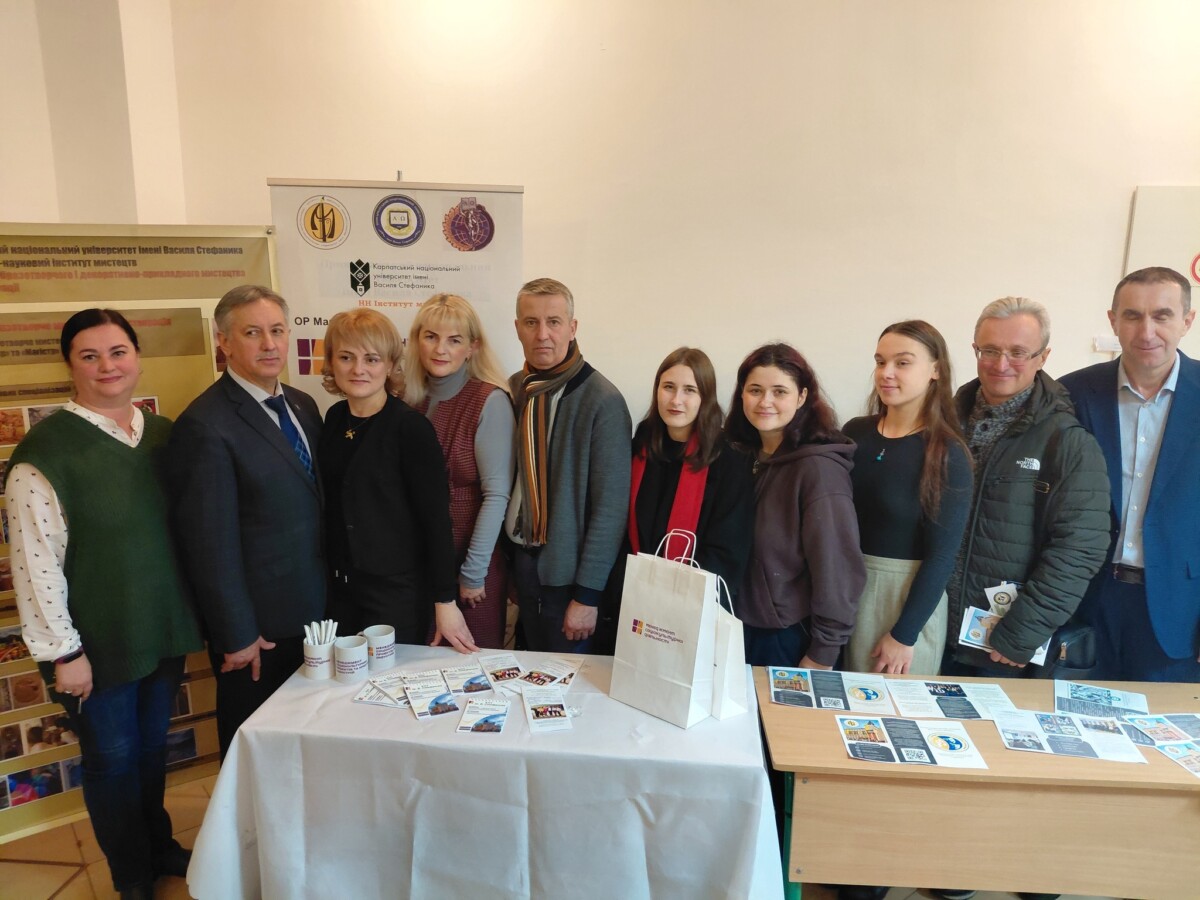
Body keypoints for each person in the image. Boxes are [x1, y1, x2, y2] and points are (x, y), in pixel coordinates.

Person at [5, 308, 203, 900]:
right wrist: (64, 654)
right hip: (93, 648)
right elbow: (35, 564)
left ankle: (158, 846)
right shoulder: (46, 453)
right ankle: (132, 876)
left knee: (151, 752)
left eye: (118, 352)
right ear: (70, 366)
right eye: (89, 356)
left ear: (137, 356)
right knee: (112, 762)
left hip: (159, 631)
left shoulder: (162, 435)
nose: (107, 366)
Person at [169, 285, 326, 758]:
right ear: (224, 341)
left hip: (316, 618)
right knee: (257, 753)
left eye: (277, 330)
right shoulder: (205, 424)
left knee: (311, 746)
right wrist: (236, 633)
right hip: (258, 634)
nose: (269, 344)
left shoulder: (303, 405)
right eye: (253, 333)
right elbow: (208, 544)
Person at [942, 297, 1110, 688]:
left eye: (1018, 352)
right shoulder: (943, 422)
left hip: (1001, 646)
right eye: (990, 350)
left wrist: (1021, 632)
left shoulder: (1067, 441)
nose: (1001, 364)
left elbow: (1079, 548)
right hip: (928, 631)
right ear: (975, 350)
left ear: (1043, 357)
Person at [1060, 266, 1200, 682]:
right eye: (1133, 316)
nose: (1147, 331)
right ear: (1113, 321)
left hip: (1181, 611)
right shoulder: (1072, 394)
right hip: (1085, 602)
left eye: (1162, 316)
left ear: (1187, 321)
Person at [320, 307, 476, 650]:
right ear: (331, 362)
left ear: (390, 365)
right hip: (341, 591)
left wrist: (445, 602)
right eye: (346, 357)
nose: (358, 369)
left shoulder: (410, 428)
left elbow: (436, 522)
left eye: (372, 359)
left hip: (396, 594)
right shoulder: (333, 419)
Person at [505, 277, 632, 653]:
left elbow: (611, 510)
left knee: (568, 682)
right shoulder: (516, 389)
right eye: (531, 322)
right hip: (522, 564)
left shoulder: (602, 400)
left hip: (569, 578)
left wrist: (587, 596)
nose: (542, 334)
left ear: (573, 327)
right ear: (517, 328)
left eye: (554, 322)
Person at [842, 321, 972, 676]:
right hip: (844, 590)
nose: (886, 373)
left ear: (935, 370)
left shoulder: (947, 452)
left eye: (902, 363)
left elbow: (942, 556)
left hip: (904, 603)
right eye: (880, 361)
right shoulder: (854, 432)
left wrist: (904, 634)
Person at [725, 343, 866, 668]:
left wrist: (823, 651)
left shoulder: (819, 470)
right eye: (755, 390)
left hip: (786, 636)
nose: (765, 402)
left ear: (802, 396)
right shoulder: (738, 456)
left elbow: (836, 566)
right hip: (735, 625)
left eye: (779, 391)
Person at [404, 294, 515, 649]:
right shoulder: (407, 399)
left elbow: (496, 495)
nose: (441, 349)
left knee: (470, 667)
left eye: (454, 340)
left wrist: (472, 573)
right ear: (416, 340)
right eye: (431, 337)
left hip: (470, 565)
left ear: (472, 347)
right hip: (417, 567)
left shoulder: (489, 401)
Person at [623, 346, 754, 589]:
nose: (676, 400)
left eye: (689, 390)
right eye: (668, 387)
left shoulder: (728, 459)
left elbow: (727, 551)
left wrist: (670, 591)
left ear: (705, 397)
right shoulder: (641, 444)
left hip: (692, 597)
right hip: (633, 591)